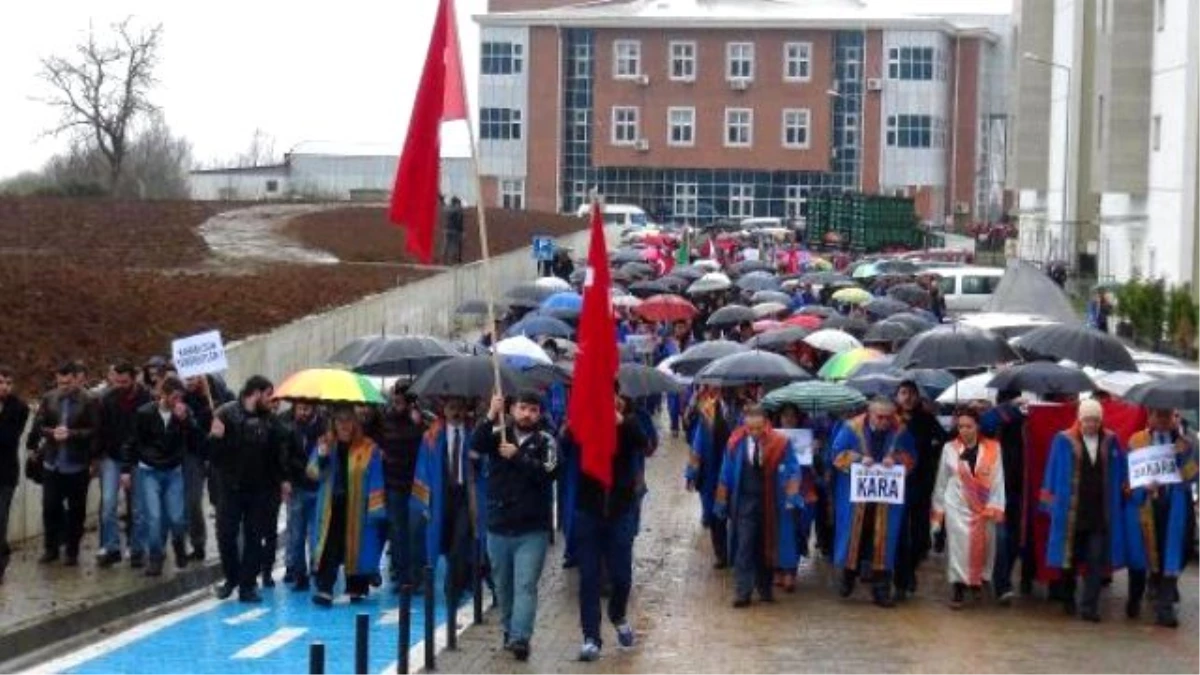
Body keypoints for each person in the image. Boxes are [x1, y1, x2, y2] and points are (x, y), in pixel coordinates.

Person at [472, 392, 558, 662]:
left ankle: (521, 637)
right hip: (498, 526)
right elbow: (475, 446)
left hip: (532, 529)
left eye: (533, 410)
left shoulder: (546, 440)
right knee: (503, 587)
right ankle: (509, 630)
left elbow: (550, 473)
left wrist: (518, 456)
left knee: (525, 585)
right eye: (522, 408)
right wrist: (489, 414)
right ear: (512, 409)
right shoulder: (498, 433)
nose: (527, 414)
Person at [575, 392, 649, 662]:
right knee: (589, 578)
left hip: (620, 512)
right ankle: (591, 637)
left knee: (621, 577)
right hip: (589, 512)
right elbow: (566, 439)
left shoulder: (630, 423)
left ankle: (617, 615)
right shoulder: (584, 422)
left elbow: (645, 443)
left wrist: (621, 422)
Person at [1039, 399, 1129, 622]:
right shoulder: (1063, 440)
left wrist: (1125, 487)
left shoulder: (1111, 441)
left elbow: (1121, 470)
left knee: (1096, 560)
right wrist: (1049, 502)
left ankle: (1090, 607)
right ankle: (1068, 598)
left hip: (1099, 512)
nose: (1092, 424)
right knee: (1069, 560)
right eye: (1088, 420)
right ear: (1080, 419)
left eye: (1096, 420)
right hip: (1071, 512)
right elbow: (1052, 470)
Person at [209, 376, 290, 603]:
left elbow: (278, 452)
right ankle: (231, 577)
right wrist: (215, 438)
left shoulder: (271, 422)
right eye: (268, 395)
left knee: (255, 537)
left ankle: (247, 584)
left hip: (259, 488)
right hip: (230, 486)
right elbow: (213, 456)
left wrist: (283, 479)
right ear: (255, 393)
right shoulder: (226, 414)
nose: (271, 400)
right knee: (226, 535)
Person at [829, 398, 916, 608]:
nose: (885, 421)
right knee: (854, 537)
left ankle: (881, 590)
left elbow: (912, 457)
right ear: (870, 413)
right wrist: (858, 459)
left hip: (886, 498)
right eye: (880, 417)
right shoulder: (851, 428)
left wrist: (895, 460)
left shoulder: (900, 431)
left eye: (889, 417)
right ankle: (847, 578)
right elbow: (835, 454)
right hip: (857, 495)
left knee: (884, 541)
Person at [713, 404, 802, 609]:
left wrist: (791, 494)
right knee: (744, 545)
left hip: (770, 502)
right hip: (744, 502)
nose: (754, 433)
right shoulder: (735, 442)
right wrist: (721, 500)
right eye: (750, 429)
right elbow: (725, 472)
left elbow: (792, 468)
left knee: (766, 544)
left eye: (758, 428)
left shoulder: (781, 442)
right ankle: (742, 591)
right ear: (745, 425)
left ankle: (765, 589)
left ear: (766, 424)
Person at [1122, 408, 1198, 628]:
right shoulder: (1137, 441)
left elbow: (1193, 476)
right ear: (1151, 418)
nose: (1164, 421)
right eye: (1159, 416)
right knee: (1140, 558)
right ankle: (1135, 598)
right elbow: (1127, 478)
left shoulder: (1185, 442)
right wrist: (1140, 487)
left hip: (1173, 507)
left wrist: (1183, 456)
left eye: (1168, 416)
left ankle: (1165, 610)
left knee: (1171, 556)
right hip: (1144, 506)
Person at [307, 407, 387, 606]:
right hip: (331, 505)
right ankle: (325, 587)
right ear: (333, 423)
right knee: (329, 545)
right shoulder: (325, 443)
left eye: (348, 420)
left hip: (359, 506)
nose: (344, 425)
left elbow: (377, 478)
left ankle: (357, 586)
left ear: (355, 422)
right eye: (340, 420)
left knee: (358, 545)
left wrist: (376, 508)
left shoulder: (369, 448)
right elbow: (313, 473)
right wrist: (322, 457)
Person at [412, 397, 487, 610]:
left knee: (460, 543)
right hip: (440, 496)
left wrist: (477, 459)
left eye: (460, 408)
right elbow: (422, 470)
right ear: (443, 410)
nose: (456, 413)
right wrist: (424, 503)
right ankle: (452, 582)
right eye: (452, 408)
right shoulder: (431, 438)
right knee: (440, 541)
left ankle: (452, 589)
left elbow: (483, 468)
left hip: (465, 496)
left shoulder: (474, 436)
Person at [930, 410, 1005, 609]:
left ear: (978, 426)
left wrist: (995, 506)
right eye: (960, 426)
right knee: (957, 548)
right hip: (956, 505)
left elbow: (998, 480)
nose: (964, 430)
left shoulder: (993, 448)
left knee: (984, 547)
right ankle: (957, 588)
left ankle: (976, 582)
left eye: (968, 426)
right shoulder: (949, 448)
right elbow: (942, 481)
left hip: (983, 507)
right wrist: (939, 512)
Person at [125, 377, 198, 577]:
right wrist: (126, 469)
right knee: (154, 517)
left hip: (173, 470)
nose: (177, 401)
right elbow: (133, 441)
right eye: (173, 397)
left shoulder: (183, 413)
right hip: (149, 470)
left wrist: (185, 421)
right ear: (163, 395)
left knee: (176, 516)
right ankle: (155, 556)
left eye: (179, 398)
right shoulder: (145, 413)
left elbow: (194, 437)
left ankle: (178, 544)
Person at [28, 361, 100, 566]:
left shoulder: (88, 400)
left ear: (76, 380)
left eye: (67, 383)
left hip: (77, 464)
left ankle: (72, 550)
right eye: (60, 383)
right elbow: (39, 425)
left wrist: (72, 435)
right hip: (53, 462)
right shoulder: (49, 398)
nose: (63, 387)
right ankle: (51, 548)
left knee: (76, 510)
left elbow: (95, 430)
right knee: (50, 507)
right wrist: (51, 433)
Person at [894, 380, 948, 601]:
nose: (908, 397)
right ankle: (901, 579)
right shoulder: (891, 420)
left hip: (921, 482)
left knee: (919, 536)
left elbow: (945, 440)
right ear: (897, 396)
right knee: (899, 534)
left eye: (912, 393)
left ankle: (910, 569)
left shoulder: (926, 418)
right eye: (903, 393)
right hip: (896, 484)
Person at [370, 383, 427, 591]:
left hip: (416, 483)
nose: (397, 402)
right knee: (397, 530)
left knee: (415, 530)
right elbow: (373, 438)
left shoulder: (420, 421)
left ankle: (417, 573)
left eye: (402, 399)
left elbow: (425, 445)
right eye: (395, 398)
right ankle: (404, 576)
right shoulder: (384, 420)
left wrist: (418, 425)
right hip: (393, 482)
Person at [97, 361, 152, 568]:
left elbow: (140, 433)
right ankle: (111, 547)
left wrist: (128, 467)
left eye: (125, 381)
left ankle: (137, 548)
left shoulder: (145, 399)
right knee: (108, 503)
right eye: (117, 381)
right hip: (112, 456)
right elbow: (103, 430)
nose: (120, 385)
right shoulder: (108, 399)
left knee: (138, 507)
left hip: (137, 457)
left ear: (134, 378)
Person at [980, 389, 1031, 600]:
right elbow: (986, 425)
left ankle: (1002, 577)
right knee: (1000, 536)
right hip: (995, 488)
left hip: (1019, 487)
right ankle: (1001, 583)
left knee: (1013, 537)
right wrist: (1011, 408)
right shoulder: (993, 418)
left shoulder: (1026, 419)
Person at [685, 387, 739, 569]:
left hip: (738, 470)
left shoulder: (745, 409)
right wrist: (691, 473)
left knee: (738, 513)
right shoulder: (708, 410)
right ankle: (721, 554)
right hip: (712, 470)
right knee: (716, 513)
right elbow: (698, 444)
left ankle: (737, 553)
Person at [281, 400, 325, 590]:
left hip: (318, 487)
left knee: (316, 533)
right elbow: (284, 456)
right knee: (296, 534)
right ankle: (300, 573)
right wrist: (286, 479)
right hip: (298, 486)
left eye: (306, 409)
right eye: (299, 409)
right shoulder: (289, 428)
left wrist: (323, 455)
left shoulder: (324, 428)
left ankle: (317, 567)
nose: (302, 413)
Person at [0, 366, 30, 584]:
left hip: (5, 472)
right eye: (1, 383)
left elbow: (8, 439)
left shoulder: (19, 408)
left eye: (8, 383)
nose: (5, 387)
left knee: (0, 519)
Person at [443, 196, 465, 265]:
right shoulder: (459, 210)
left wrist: (442, 200)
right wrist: (462, 231)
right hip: (455, 231)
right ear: (457, 203)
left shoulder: (448, 209)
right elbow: (459, 222)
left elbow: (444, 208)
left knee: (447, 245)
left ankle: (445, 260)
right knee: (455, 246)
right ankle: (455, 260)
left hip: (448, 230)